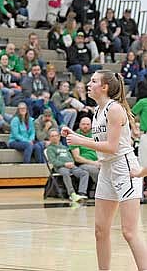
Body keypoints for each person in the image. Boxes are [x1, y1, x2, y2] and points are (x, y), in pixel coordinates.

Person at [63, 70, 147, 271]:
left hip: (124, 168)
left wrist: (80, 141)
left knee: (129, 231)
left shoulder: (115, 109)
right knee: (100, 230)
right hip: (106, 169)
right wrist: (77, 135)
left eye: (93, 81)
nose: (89, 84)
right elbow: (101, 143)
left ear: (105, 87)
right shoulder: (97, 111)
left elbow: (112, 146)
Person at [46, 129, 89, 201]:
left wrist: (72, 163)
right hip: (60, 167)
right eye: (52, 136)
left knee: (84, 173)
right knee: (66, 173)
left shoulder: (64, 147)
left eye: (56, 135)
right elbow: (53, 161)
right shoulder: (50, 149)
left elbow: (71, 157)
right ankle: (72, 194)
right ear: (49, 138)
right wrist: (64, 164)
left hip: (71, 166)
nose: (54, 137)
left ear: (59, 137)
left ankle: (82, 193)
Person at [69, 117, 100, 184]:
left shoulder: (95, 135)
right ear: (79, 124)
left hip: (98, 161)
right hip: (83, 164)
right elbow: (77, 158)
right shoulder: (75, 137)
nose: (85, 126)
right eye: (83, 124)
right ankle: (100, 190)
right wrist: (94, 163)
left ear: (91, 125)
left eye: (88, 124)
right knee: (95, 171)